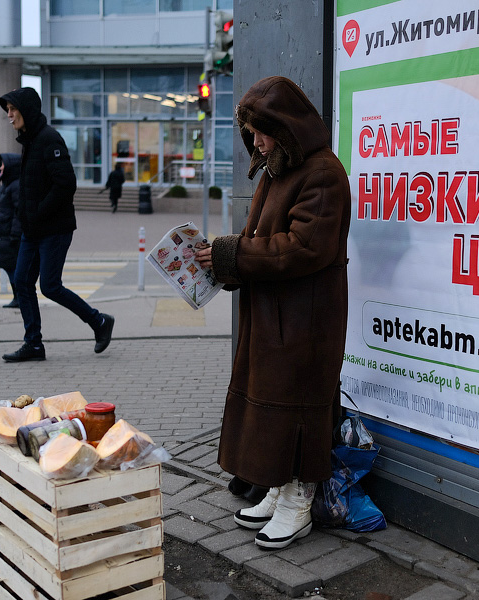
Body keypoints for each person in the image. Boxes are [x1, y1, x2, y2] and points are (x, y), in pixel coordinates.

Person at [194, 76, 351, 550]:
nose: (256, 142)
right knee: (274, 404)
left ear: (285, 128)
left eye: (261, 132)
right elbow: (263, 243)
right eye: (251, 133)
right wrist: (225, 263)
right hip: (275, 316)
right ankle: (280, 489)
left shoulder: (323, 173)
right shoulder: (277, 170)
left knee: (299, 406)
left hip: (306, 321)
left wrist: (231, 255)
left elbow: (304, 248)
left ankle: (297, 503)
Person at [0, 87, 114, 362]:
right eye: (8, 111)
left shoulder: (49, 139)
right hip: (32, 230)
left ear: (26, 109)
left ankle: (99, 322)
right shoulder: (29, 141)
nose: (10, 116)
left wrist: (38, 212)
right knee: (22, 281)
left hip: (54, 229)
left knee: (49, 286)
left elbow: (66, 183)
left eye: (13, 110)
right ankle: (33, 344)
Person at [0, 153, 23, 308]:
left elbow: (19, 211)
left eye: (3, 164)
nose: (1, 167)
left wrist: (15, 234)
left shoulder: (16, 185)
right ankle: (19, 296)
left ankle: (20, 296)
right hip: (5, 233)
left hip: (11, 235)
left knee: (12, 266)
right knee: (8, 265)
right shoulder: (7, 184)